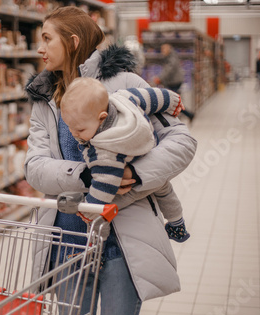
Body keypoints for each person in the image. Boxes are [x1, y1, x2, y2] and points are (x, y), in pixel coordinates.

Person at [24, 6, 197, 315]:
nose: (39, 48)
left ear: (73, 41)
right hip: (67, 241)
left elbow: (182, 141)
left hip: (121, 242)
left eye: (47, 38)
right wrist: (85, 175)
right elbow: (34, 168)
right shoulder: (43, 98)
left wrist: (139, 175)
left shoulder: (125, 82)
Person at [61, 77, 190, 243]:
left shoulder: (104, 153)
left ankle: (96, 246)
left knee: (104, 212)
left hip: (131, 179)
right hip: (151, 152)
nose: (73, 133)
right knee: (164, 189)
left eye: (79, 129)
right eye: (69, 126)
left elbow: (103, 189)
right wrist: (173, 101)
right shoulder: (123, 99)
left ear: (102, 118)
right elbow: (151, 96)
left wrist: (89, 210)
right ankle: (178, 225)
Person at [154, 43, 195, 121]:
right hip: (173, 82)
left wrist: (160, 78)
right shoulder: (170, 56)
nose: (162, 51)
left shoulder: (172, 57)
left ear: (168, 49)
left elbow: (169, 69)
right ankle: (188, 115)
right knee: (174, 100)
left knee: (173, 101)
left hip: (175, 82)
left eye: (164, 49)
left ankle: (189, 115)